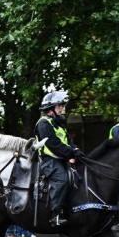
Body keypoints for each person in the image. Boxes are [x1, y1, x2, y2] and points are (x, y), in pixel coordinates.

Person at [34, 91, 83, 227]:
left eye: (62, 106)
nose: (62, 108)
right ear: (50, 110)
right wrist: (71, 152)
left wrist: (76, 150)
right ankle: (54, 214)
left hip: (61, 159)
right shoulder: (43, 124)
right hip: (49, 161)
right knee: (62, 179)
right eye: (59, 106)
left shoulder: (58, 124)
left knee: (79, 177)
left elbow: (67, 141)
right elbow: (54, 145)